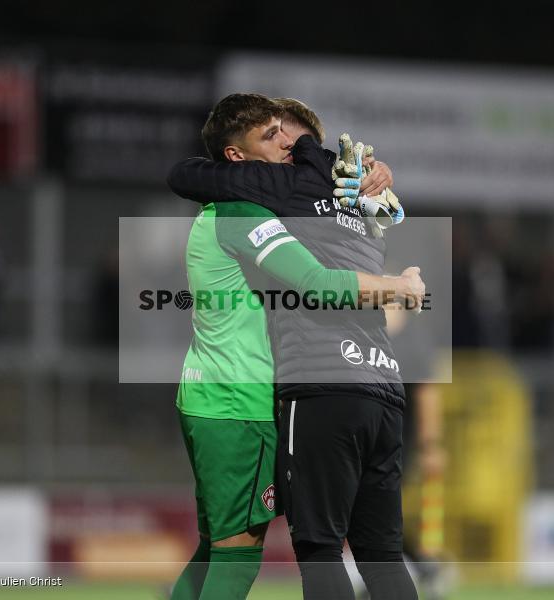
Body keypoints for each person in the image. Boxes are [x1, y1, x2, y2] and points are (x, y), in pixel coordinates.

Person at [170, 93, 424, 600]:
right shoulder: (240, 211)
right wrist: (397, 285)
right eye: (270, 136)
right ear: (236, 157)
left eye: (286, 133)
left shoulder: (260, 205)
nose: (286, 143)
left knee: (216, 548)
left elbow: (334, 203)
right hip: (238, 402)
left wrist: (371, 174)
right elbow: (315, 281)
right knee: (239, 556)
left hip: (225, 395)